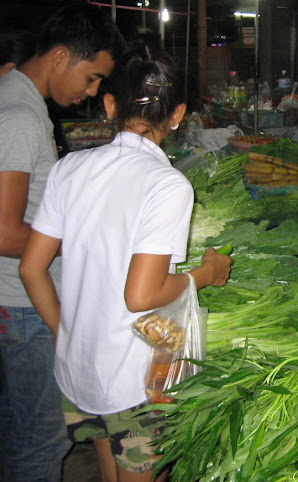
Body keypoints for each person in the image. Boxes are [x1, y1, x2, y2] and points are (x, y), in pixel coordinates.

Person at [19, 40, 233, 482]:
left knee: (108, 471)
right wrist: (204, 275)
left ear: (110, 103)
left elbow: (30, 268)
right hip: (134, 378)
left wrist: (66, 330)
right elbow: (141, 296)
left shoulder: (69, 169)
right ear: (178, 115)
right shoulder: (167, 185)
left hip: (79, 367)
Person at [0, 3, 126, 482]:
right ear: (59, 57)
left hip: (19, 301)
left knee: (18, 424)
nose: (92, 91)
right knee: (43, 439)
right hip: (27, 305)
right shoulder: (19, 117)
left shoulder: (20, 101)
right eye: (92, 77)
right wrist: (80, 241)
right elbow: (6, 231)